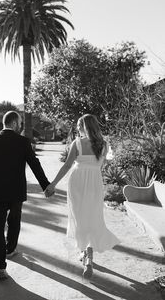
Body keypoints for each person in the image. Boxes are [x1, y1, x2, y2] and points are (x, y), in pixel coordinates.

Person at [0, 111, 52, 281]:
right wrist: (45, 186)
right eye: (19, 123)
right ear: (13, 123)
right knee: (14, 221)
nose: (21, 126)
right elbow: (35, 165)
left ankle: (0, 268)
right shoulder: (23, 142)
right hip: (15, 191)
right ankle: (10, 250)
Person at [46, 114, 120, 278]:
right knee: (92, 217)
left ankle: (86, 254)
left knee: (80, 218)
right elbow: (102, 165)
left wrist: (52, 184)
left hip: (77, 182)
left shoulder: (77, 143)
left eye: (78, 127)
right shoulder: (104, 144)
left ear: (83, 127)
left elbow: (66, 166)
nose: (77, 130)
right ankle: (88, 255)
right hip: (95, 183)